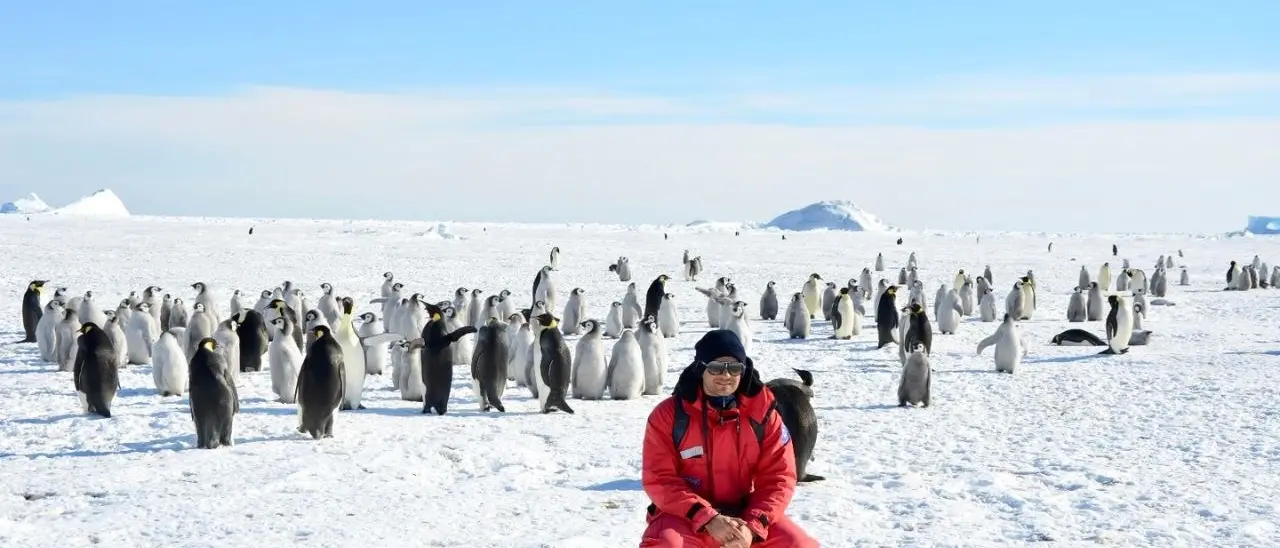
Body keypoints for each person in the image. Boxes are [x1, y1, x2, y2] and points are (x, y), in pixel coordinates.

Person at [639, 330, 819, 548]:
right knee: (668, 545)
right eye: (716, 368)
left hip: (745, 514)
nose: (726, 375)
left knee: (797, 544)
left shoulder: (763, 414)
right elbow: (660, 478)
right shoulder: (669, 415)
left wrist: (752, 526)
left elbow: (779, 477)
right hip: (684, 515)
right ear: (701, 369)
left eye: (734, 368)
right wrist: (708, 518)